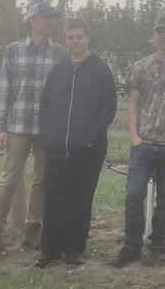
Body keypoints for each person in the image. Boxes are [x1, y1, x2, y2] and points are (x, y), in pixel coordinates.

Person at [111, 14, 165, 267]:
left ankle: (158, 246)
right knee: (133, 195)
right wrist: (134, 137)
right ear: (154, 34)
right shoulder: (140, 66)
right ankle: (131, 246)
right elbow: (134, 102)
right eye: (159, 31)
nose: (162, 36)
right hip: (144, 144)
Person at [0, 0, 69, 257]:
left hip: (47, 127)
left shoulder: (61, 55)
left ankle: (34, 229)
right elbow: (5, 91)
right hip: (18, 125)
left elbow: (64, 94)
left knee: (42, 180)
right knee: (9, 178)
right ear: (32, 20)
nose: (50, 22)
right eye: (45, 17)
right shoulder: (13, 51)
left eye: (52, 18)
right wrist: (0, 127)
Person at [35, 18, 117, 268]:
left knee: (80, 200)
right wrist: (49, 137)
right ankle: (50, 250)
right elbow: (46, 106)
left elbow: (108, 108)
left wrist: (91, 137)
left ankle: (74, 249)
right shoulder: (58, 70)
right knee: (53, 199)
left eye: (79, 36)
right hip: (57, 148)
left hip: (88, 150)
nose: (75, 41)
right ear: (66, 39)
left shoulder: (100, 70)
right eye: (70, 37)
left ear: (87, 38)